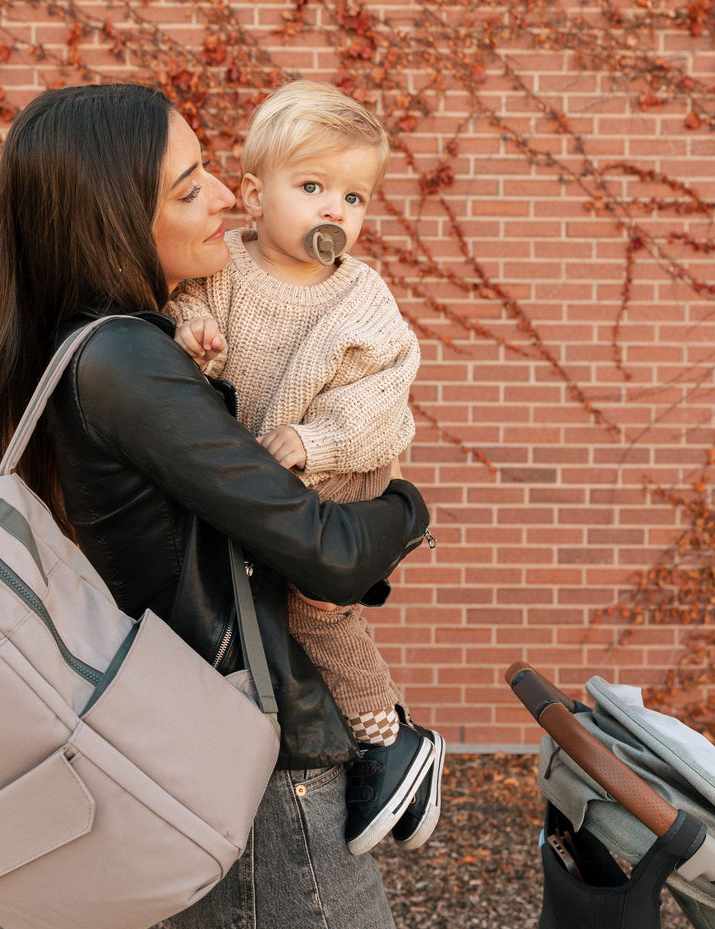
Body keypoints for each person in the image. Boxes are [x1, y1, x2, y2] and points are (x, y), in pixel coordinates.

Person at [0, 83, 430, 929]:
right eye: (187, 187)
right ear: (113, 217)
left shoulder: (101, 346)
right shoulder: (128, 360)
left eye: (211, 168)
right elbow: (327, 550)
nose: (224, 196)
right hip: (265, 778)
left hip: (186, 764)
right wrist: (411, 511)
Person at [166, 80, 445, 857]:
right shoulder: (223, 269)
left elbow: (386, 396)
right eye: (313, 186)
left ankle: (388, 736)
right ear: (253, 194)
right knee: (252, 603)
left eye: (353, 196)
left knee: (315, 609)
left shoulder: (361, 297)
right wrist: (189, 326)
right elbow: (183, 298)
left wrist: (317, 439)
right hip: (258, 474)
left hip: (338, 472)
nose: (335, 210)